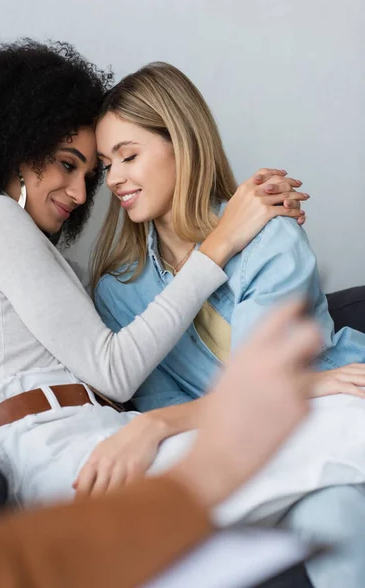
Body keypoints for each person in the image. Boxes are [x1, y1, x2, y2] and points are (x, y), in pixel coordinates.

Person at [0, 39, 307, 510]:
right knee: (289, 471)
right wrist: (223, 240)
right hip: (56, 447)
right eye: (69, 165)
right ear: (19, 146)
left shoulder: (72, 270)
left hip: (104, 434)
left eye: (90, 176)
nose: (83, 195)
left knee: (290, 472)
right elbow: (116, 370)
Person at [91, 62, 365, 587]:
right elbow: (160, 403)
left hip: (329, 415)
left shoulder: (270, 236)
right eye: (105, 165)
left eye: (128, 156)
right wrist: (160, 421)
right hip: (236, 451)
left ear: (182, 143)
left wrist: (158, 426)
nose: (115, 179)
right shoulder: (118, 290)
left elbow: (255, 388)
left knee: (332, 518)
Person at [0, 301, 319, 588]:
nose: (80, 207)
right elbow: (6, 564)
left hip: (117, 427)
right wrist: (201, 469)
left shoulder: (82, 281)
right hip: (59, 446)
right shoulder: (112, 288)